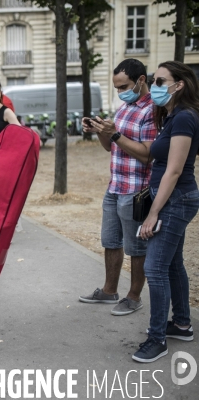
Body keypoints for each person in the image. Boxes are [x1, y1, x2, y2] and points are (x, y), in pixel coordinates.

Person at [132, 61, 199, 363]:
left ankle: (157, 338)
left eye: (160, 81)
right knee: (172, 264)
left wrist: (153, 213)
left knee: (155, 268)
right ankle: (182, 324)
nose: (155, 87)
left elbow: (173, 170)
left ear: (179, 84)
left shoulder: (184, 118)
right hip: (171, 198)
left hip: (175, 200)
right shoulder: (174, 116)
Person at [79, 59, 157, 317]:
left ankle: (134, 297)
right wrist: (100, 131)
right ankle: (109, 290)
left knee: (136, 247)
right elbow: (110, 147)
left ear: (141, 80)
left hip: (137, 190)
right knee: (111, 241)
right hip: (115, 186)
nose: (121, 91)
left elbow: (148, 155)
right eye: (117, 88)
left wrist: (114, 135)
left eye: (124, 86)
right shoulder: (124, 108)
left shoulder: (152, 111)